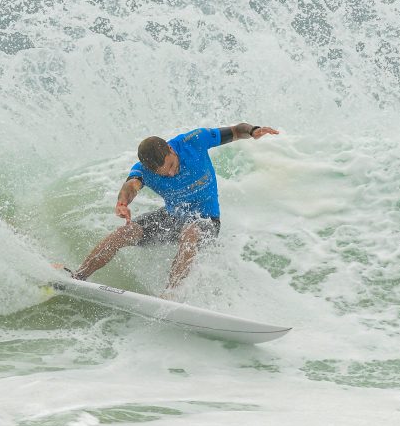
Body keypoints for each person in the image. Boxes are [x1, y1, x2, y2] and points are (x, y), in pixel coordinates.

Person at [70, 123, 280, 297]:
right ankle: (78, 276)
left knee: (191, 231)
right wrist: (122, 204)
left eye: (170, 166)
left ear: (171, 150)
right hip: (172, 218)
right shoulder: (143, 170)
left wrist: (253, 131)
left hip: (206, 219)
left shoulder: (194, 141)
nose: (170, 174)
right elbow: (131, 186)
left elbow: (235, 131)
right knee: (123, 233)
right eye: (163, 173)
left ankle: (171, 294)